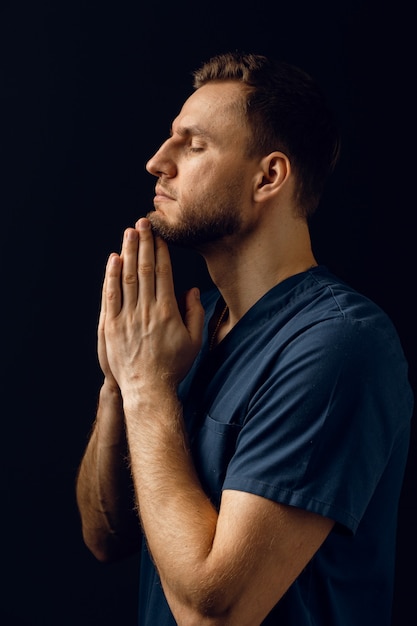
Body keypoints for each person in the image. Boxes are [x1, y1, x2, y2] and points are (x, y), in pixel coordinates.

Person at [76, 52, 413, 626]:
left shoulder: (338, 346)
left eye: (194, 144)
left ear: (269, 177)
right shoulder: (184, 329)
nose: (158, 161)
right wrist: (119, 383)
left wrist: (146, 385)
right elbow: (106, 535)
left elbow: (216, 615)